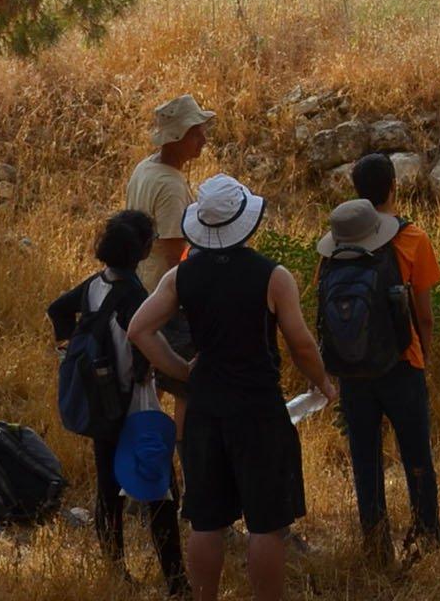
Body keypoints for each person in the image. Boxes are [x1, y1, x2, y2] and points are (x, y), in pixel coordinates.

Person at [129, 174, 339, 601]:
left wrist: (184, 371)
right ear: (248, 222)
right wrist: (323, 383)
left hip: (205, 407)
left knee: (205, 521)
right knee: (266, 524)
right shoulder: (272, 276)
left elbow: (140, 329)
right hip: (257, 408)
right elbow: (300, 343)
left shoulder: (180, 277)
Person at [51, 209, 187, 595]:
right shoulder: (134, 295)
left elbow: (58, 309)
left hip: (100, 402)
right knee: (160, 491)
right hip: (134, 403)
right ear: (143, 251)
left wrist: (66, 348)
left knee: (107, 490)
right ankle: (176, 580)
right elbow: (146, 341)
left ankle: (116, 570)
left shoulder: (94, 285)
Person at [321, 153, 440, 559]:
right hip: (402, 363)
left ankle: (375, 542)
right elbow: (423, 315)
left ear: (355, 190)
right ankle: (428, 535)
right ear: (394, 186)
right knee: (416, 454)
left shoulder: (335, 241)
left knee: (364, 456)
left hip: (352, 368)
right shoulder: (412, 238)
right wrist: (422, 355)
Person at [127, 94, 214, 285]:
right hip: (159, 288)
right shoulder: (170, 186)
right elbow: (174, 256)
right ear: (176, 139)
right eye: (195, 134)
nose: (203, 140)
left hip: (140, 277)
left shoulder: (145, 166)